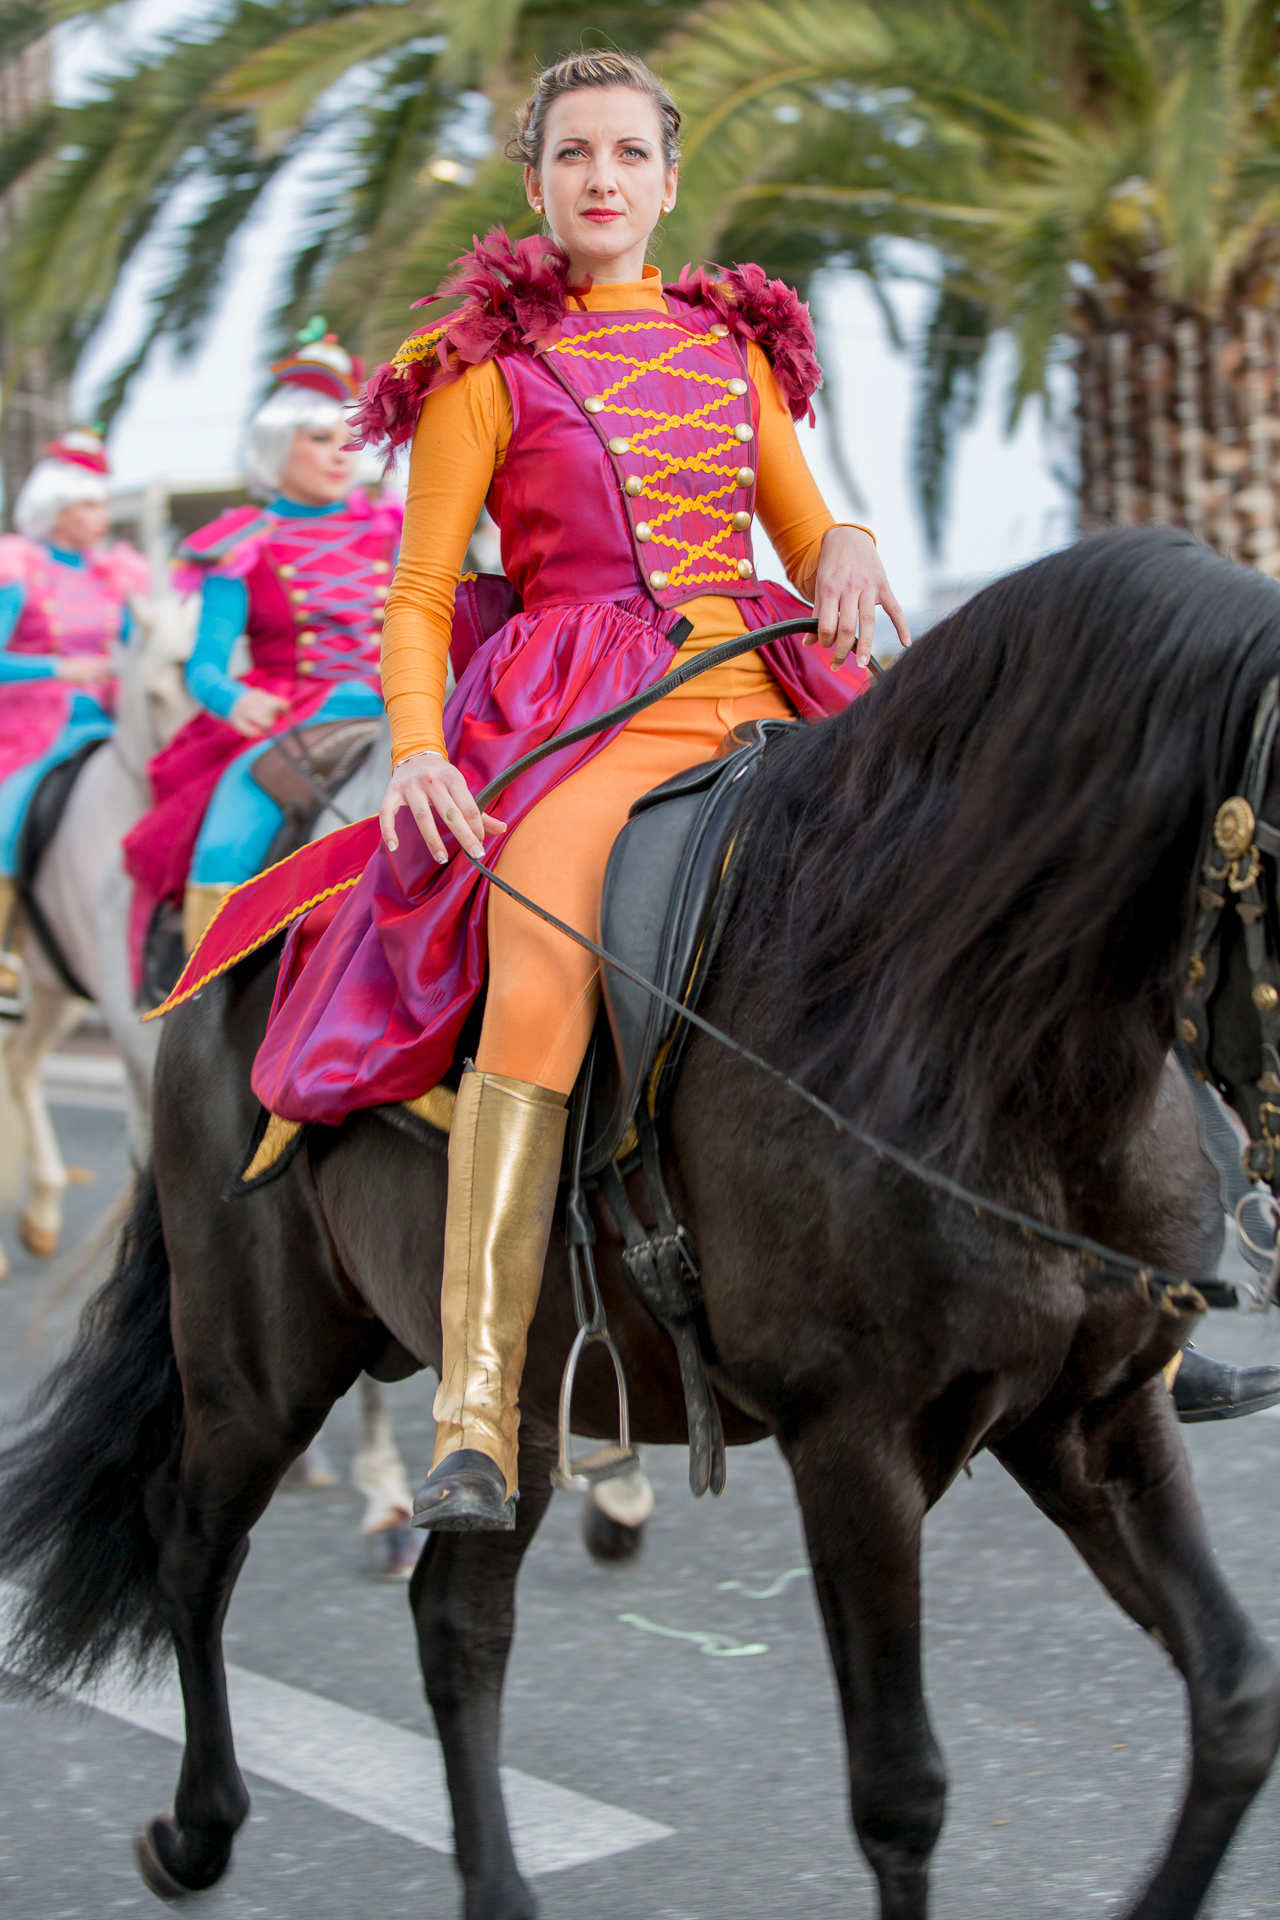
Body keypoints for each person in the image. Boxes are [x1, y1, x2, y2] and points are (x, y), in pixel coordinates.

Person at [246, 52, 1274, 1532]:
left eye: (628, 153)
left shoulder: (729, 349)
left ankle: (1142, 1331)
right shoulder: (479, 375)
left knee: (1002, 904)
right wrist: (415, 748)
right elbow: (416, 594)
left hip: (770, 687)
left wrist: (847, 542)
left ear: (669, 182)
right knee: (539, 961)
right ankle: (475, 1403)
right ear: (533, 183)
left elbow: (804, 533)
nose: (601, 177)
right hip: (584, 718)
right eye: (572, 153)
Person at [122, 324, 402, 963]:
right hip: (290, 714)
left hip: (398, 705)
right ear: (278, 447)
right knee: (228, 836)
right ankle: (201, 989)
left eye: (349, 438)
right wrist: (235, 700)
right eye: (319, 439)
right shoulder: (241, 545)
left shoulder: (394, 532)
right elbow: (205, 667)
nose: (340, 454)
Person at [0, 429, 148, 1017]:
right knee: (6, 818)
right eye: (88, 504)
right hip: (31, 731)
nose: (101, 516)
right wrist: (58, 667)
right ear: (56, 507)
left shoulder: (116, 576)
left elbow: (138, 650)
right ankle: (7, 950)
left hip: (109, 726)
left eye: (103, 503)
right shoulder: (18, 569)